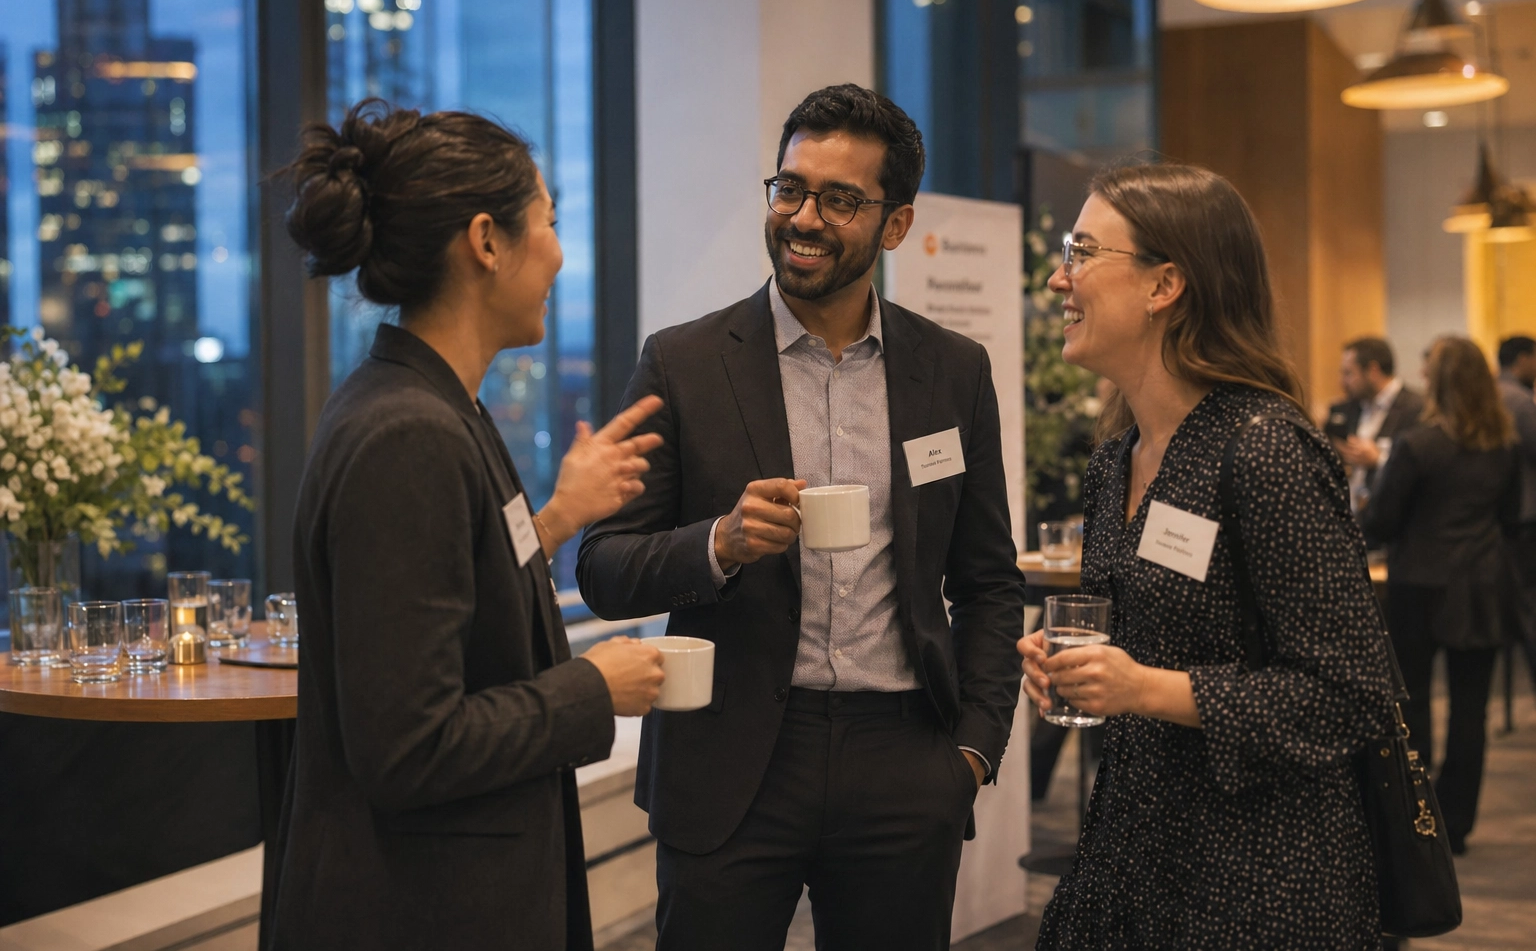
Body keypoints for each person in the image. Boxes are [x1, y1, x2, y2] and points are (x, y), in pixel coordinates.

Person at [577, 84, 1024, 950]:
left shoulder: (953, 371)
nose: (804, 217)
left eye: (840, 199)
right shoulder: (684, 362)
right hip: (731, 759)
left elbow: (988, 581)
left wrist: (970, 753)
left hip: (903, 759)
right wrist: (718, 543)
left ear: (895, 225)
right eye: (790, 189)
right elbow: (602, 566)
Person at [268, 99, 669, 950]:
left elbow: (451, 585)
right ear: (487, 241)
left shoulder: (428, 402)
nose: (560, 254)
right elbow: (409, 746)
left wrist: (557, 518)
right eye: (550, 223)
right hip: (420, 908)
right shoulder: (408, 433)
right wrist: (595, 689)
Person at [1017, 162, 1397, 948]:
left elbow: (1351, 693)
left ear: (1165, 286)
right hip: (1132, 852)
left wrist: (1146, 687)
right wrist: (1079, 672)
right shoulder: (1115, 460)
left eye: (1083, 251)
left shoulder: (1266, 452)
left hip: (1260, 878)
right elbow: (1138, 645)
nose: (1061, 279)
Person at [1362, 335, 1520, 855]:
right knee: (1470, 711)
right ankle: (1458, 823)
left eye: (1428, 371)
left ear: (1440, 381)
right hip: (1482, 584)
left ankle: (1417, 816)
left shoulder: (1418, 444)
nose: (1422, 379)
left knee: (1415, 708)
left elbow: (1383, 519)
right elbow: (1511, 518)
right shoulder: (1504, 444)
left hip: (1420, 584)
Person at [1325, 336, 1425, 512]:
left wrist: (1379, 460)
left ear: (1373, 371)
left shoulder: (1417, 409)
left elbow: (1422, 472)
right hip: (1348, 518)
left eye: (1349, 374)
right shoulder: (1344, 409)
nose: (1342, 382)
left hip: (1390, 523)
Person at [1495, 334, 1536, 681]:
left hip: (1496, 518)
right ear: (1523, 359)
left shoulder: (1488, 397)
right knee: (1528, 606)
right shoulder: (1521, 401)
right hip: (1523, 518)